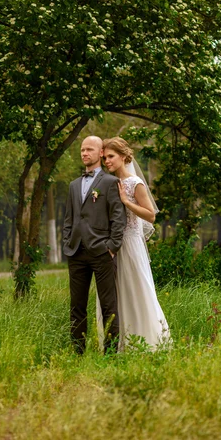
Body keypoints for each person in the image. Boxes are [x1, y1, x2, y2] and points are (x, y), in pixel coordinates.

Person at [99, 136, 170, 350]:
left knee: (137, 291)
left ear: (123, 156)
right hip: (113, 246)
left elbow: (150, 216)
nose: (107, 161)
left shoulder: (134, 183)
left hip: (131, 244)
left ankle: (149, 341)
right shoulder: (109, 183)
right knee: (117, 295)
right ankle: (119, 343)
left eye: (111, 157)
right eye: (104, 158)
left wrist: (126, 202)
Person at [63, 135, 127, 354]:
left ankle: (110, 355)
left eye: (89, 149)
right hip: (76, 252)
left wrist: (112, 247)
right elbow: (69, 218)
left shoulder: (110, 182)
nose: (84, 153)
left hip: (102, 252)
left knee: (109, 306)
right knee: (77, 307)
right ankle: (78, 353)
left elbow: (118, 218)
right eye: (82, 150)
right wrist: (67, 243)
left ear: (100, 153)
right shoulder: (73, 185)